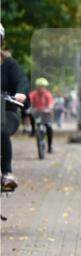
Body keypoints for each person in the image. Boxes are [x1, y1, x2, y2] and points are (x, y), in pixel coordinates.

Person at [1, 24, 29, 192]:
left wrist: (20, 93)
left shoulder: (8, 64)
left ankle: (7, 173)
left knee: (1, 129)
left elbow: (21, 80)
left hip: (7, 111)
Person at [28, 78, 55, 153]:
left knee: (49, 128)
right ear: (37, 87)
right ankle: (33, 130)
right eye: (39, 86)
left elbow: (51, 103)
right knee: (30, 114)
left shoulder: (47, 94)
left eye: (43, 86)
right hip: (37, 113)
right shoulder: (33, 94)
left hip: (46, 113)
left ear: (45, 87)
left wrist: (49, 108)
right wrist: (28, 107)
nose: (41, 88)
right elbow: (29, 101)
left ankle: (50, 146)